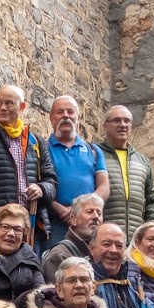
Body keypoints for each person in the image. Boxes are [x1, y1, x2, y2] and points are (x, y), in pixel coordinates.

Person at [0, 84, 58, 250]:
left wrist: (42, 189)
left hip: (31, 226)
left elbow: (51, 180)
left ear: (22, 106)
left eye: (9, 103)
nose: (2, 108)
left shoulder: (36, 141)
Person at [46, 96, 108, 245]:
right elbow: (38, 184)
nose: (66, 116)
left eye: (70, 112)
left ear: (77, 117)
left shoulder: (93, 150)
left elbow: (104, 186)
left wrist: (85, 210)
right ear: (51, 118)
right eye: (60, 112)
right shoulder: (42, 149)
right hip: (56, 225)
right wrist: (62, 211)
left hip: (88, 227)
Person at [99, 105, 154, 236]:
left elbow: (152, 202)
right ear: (105, 126)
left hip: (135, 239)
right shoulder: (94, 154)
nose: (123, 125)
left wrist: (152, 230)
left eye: (127, 121)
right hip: (105, 237)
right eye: (117, 120)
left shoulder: (142, 161)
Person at [40, 193, 104, 283]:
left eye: (99, 213)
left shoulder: (105, 254)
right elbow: (57, 295)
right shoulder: (59, 255)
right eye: (89, 212)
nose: (96, 217)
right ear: (73, 220)